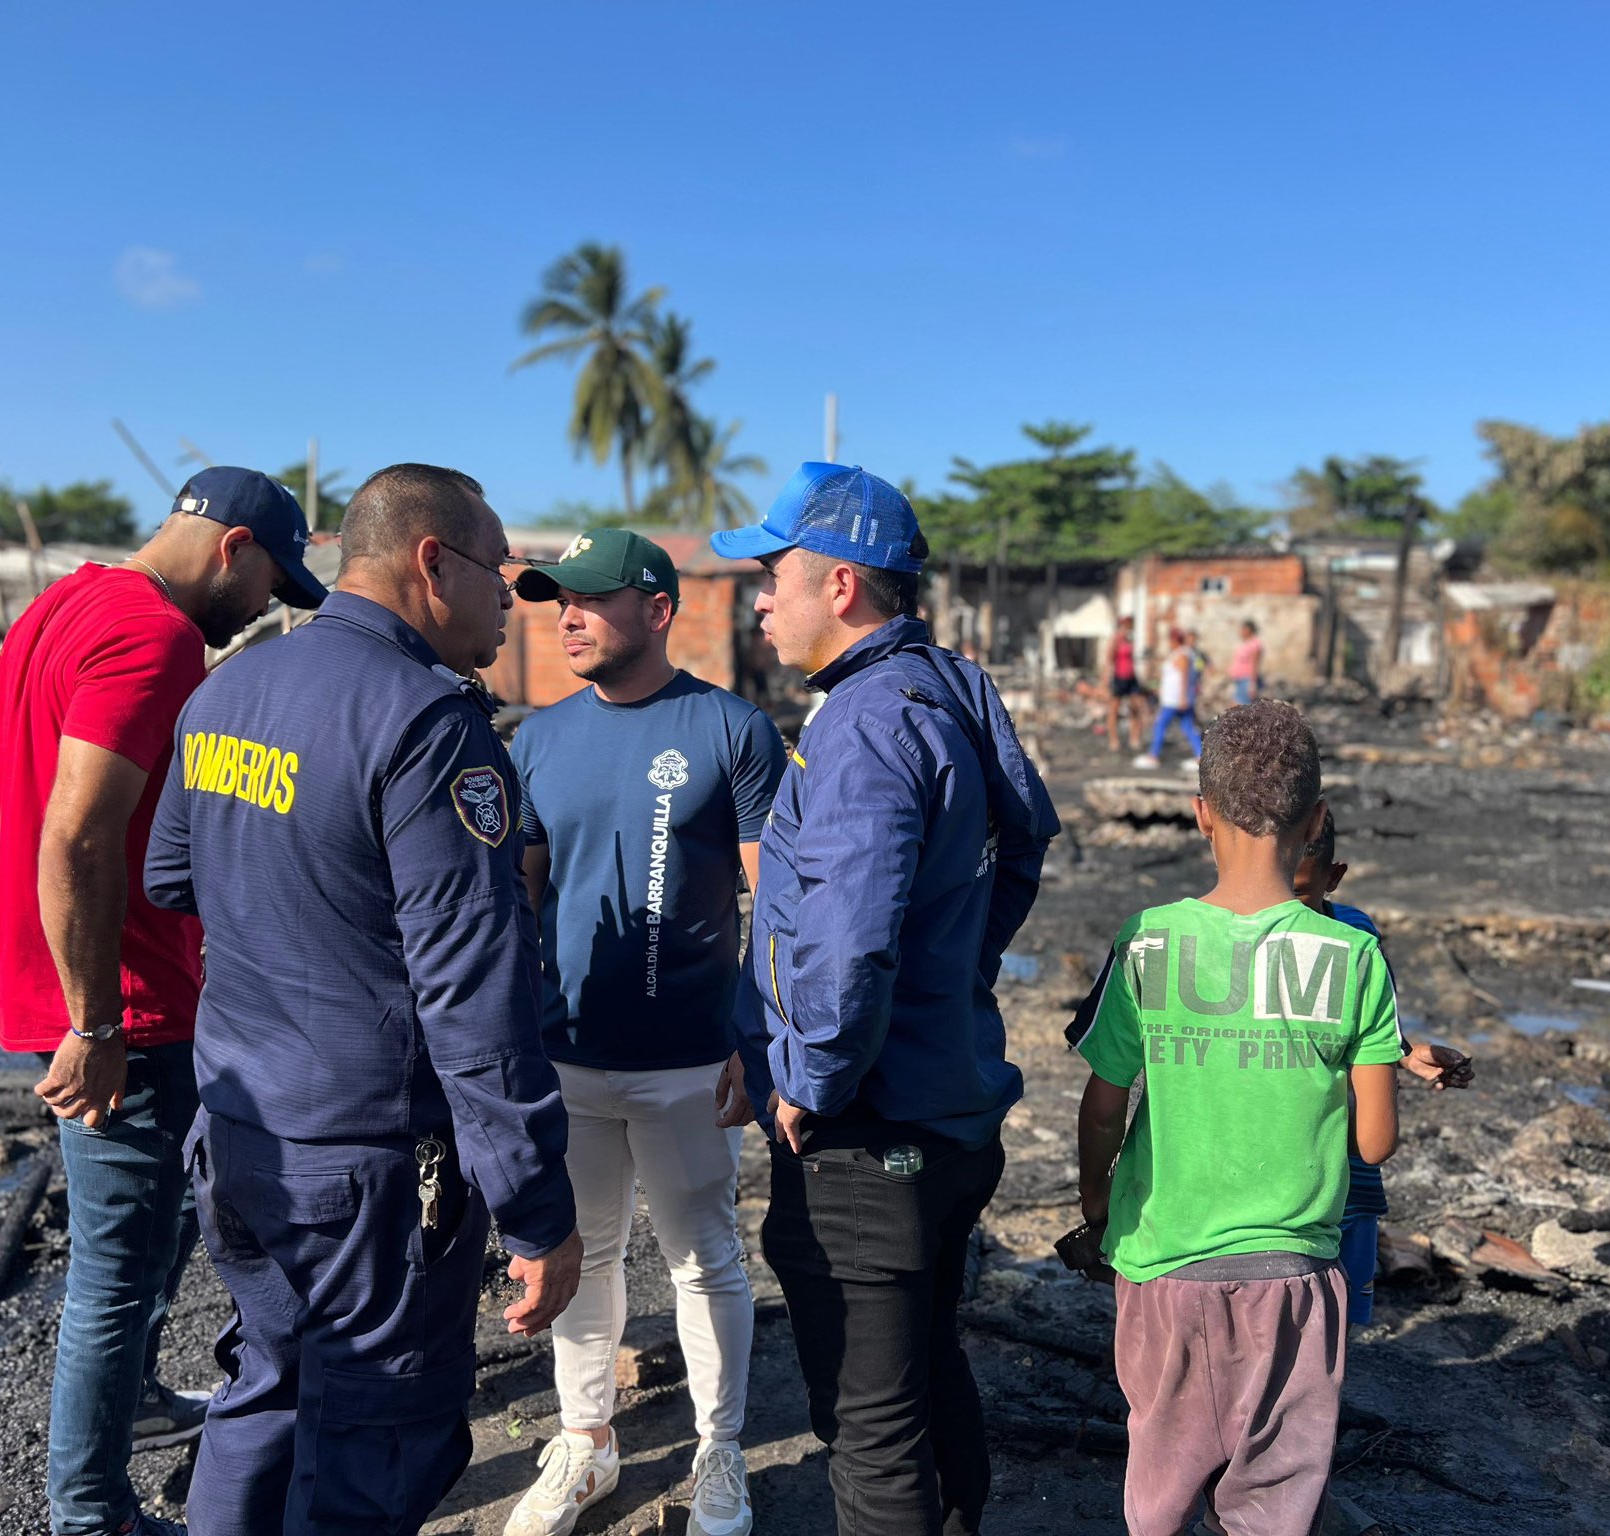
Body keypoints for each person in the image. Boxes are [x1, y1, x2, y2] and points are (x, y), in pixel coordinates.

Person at [143, 463, 583, 1536]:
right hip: (368, 1167)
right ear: (434, 564)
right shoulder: (427, 724)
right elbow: (474, 997)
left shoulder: (229, 689)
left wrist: (295, 906)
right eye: (498, 576)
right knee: (373, 1446)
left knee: (264, 1393)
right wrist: (534, 1208)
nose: (506, 603)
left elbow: (170, 875)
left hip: (243, 1134)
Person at [0, 467, 325, 1536]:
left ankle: (128, 1413)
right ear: (233, 549)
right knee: (115, 1269)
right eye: (272, 580)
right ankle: (90, 1512)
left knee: (153, 1234)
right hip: (124, 1006)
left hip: (83, 981)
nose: (267, 606)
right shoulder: (156, 637)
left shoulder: (57, 602)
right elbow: (76, 833)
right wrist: (93, 1022)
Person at [711, 462, 1060, 1536]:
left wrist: (809, 1076)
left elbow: (847, 932)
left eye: (774, 575)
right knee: (920, 1364)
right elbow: (1023, 845)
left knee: (865, 1427)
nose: (758, 600)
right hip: (944, 1099)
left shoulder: (864, 723)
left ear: (844, 587)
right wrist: (957, 973)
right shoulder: (947, 687)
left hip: (872, 1127)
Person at [502, 528, 786, 1536]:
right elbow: (517, 908)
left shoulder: (731, 730)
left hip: (691, 1065)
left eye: (588, 598)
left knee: (703, 1257)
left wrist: (757, 1042)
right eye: (555, 601)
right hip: (565, 1058)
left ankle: (718, 1455)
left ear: (656, 609)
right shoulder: (533, 740)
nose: (566, 617)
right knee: (581, 1252)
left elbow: (774, 905)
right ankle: (584, 1441)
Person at [1071, 699, 1401, 1536]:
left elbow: (1105, 1106)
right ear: (1317, 821)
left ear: (1201, 816)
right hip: (1294, 1273)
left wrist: (1096, 1206)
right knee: (1274, 1496)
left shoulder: (1148, 941)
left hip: (1161, 1264)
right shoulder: (1355, 956)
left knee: (1160, 1479)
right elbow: (1375, 1141)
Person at [1292, 812, 1473, 1328]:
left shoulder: (1357, 934)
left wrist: (1410, 1054)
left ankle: (1322, 1405)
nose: (1289, 914)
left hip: (1350, 1154)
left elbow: (1373, 1028)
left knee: (1338, 1308)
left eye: (1303, 898)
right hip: (1282, 1153)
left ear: (1334, 878)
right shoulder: (1239, 939)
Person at [1133, 626, 1202, 771]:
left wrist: (1183, 697)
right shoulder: (1178, 653)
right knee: (1188, 726)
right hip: (1174, 698)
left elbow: (1184, 677)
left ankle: (1153, 755)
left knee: (1160, 725)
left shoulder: (1183, 655)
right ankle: (1200, 756)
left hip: (1175, 700)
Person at [1103, 615, 1149, 755]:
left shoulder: (1130, 640)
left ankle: (1134, 738)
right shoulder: (1115, 640)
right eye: (1126, 626)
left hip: (1131, 677)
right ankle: (1113, 739)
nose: (1128, 628)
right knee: (1114, 710)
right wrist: (1106, 679)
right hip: (1119, 678)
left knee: (1135, 708)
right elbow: (1109, 660)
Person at [1229, 619, 1263, 707]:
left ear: (1249, 630)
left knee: (1244, 708)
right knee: (1235, 706)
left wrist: (1252, 683)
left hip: (1246, 679)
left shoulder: (1255, 644)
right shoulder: (1245, 643)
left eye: (1243, 629)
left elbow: (1254, 664)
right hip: (1239, 679)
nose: (1241, 632)